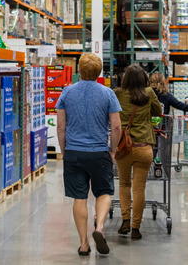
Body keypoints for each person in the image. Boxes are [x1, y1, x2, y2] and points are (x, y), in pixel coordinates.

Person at [57, 53, 122, 256]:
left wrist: (64, 150)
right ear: (99, 71)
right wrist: (113, 150)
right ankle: (100, 227)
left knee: (79, 197)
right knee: (103, 193)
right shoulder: (108, 93)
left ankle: (84, 243)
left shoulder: (67, 92)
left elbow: (60, 126)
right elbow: (116, 126)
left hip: (74, 152)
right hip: (99, 152)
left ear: (79, 70)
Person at [114, 65, 162, 240]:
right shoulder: (149, 93)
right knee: (139, 188)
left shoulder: (118, 93)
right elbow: (158, 111)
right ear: (144, 79)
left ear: (125, 79)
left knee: (124, 184)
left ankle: (125, 220)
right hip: (144, 148)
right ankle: (136, 228)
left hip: (123, 148)